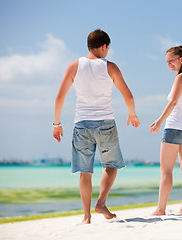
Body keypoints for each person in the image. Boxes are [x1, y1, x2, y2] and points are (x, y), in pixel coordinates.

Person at [52, 29, 140, 225]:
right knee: (112, 165)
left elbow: (59, 98)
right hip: (105, 123)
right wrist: (132, 114)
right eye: (108, 48)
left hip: (81, 124)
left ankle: (86, 217)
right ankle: (101, 203)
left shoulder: (74, 66)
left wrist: (57, 124)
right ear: (104, 46)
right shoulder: (110, 67)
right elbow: (129, 96)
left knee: (85, 172)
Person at [149, 46, 182, 215]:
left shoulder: (180, 78)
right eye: (167, 62)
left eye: (171, 60)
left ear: (181, 59)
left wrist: (158, 121)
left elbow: (173, 103)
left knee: (166, 170)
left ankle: (161, 209)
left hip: (174, 128)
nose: (168, 64)